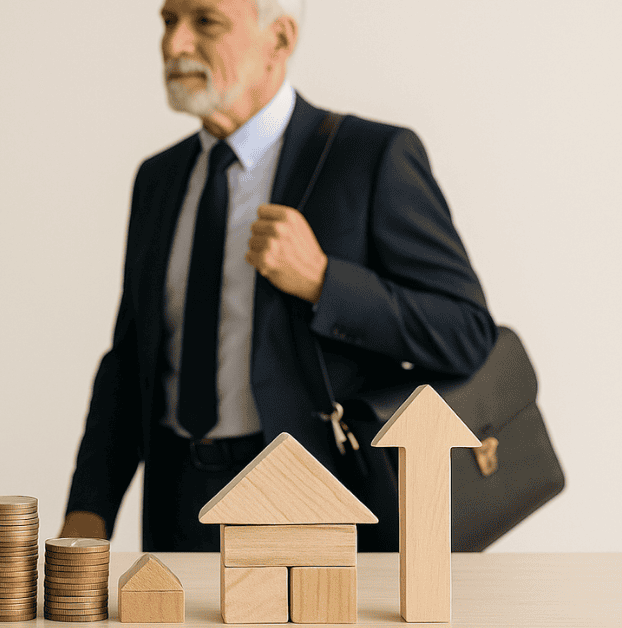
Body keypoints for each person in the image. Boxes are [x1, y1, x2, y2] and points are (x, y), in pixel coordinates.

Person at [61, 0, 496, 552]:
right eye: (168, 21)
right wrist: (87, 512)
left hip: (315, 510)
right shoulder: (158, 179)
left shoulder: (369, 157)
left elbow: (467, 333)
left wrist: (323, 282)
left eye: (206, 22)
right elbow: (132, 361)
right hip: (177, 510)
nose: (174, 45)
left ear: (280, 39)